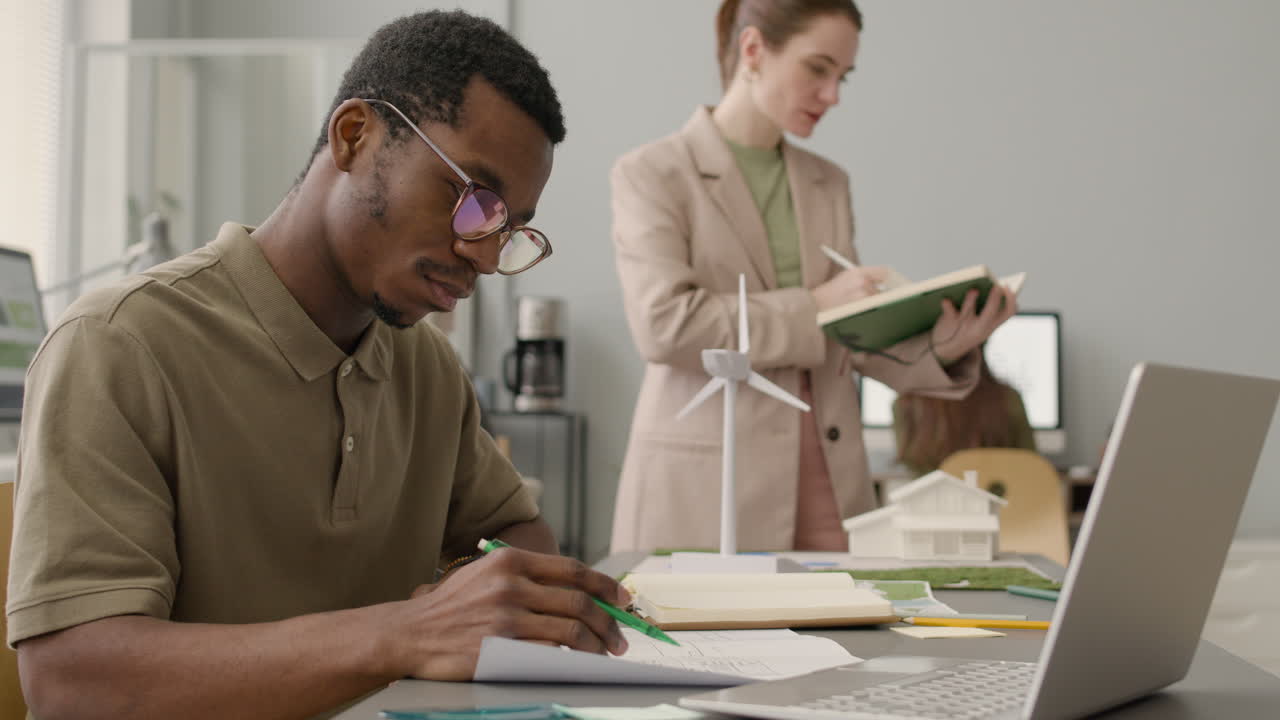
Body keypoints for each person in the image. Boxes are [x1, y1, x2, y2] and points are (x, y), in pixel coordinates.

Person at [7, 11, 630, 719]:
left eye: (511, 228)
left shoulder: (426, 368)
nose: (487, 257)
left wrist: (486, 603)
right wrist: (406, 634)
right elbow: (69, 685)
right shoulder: (118, 346)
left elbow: (517, 536)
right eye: (474, 201)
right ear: (354, 136)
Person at [609, 0, 1016, 553]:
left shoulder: (829, 182)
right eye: (818, 69)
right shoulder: (653, 174)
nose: (833, 95)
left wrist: (943, 348)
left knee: (850, 637)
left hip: (830, 483)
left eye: (842, 76)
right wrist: (817, 304)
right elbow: (666, 325)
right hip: (708, 489)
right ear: (754, 50)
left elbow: (846, 339)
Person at [892, 353, 1037, 477]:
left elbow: (914, 471)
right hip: (1005, 506)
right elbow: (1030, 463)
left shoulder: (906, 403)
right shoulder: (1009, 398)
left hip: (936, 506)